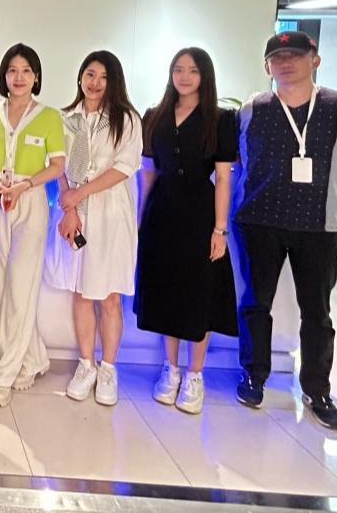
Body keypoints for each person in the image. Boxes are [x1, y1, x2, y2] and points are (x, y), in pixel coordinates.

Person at [234, 31, 337, 430]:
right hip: (260, 220)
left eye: (295, 55)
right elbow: (241, 160)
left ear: (315, 59)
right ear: (267, 66)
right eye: (278, 57)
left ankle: (317, 390)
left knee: (317, 311)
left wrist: (329, 188)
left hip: (318, 225)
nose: (286, 63)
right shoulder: (252, 108)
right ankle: (253, 377)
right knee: (256, 302)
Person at [135, 47, 237, 415]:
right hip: (162, 209)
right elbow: (148, 172)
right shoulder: (155, 116)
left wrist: (220, 229)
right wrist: (142, 220)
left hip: (199, 212)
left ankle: (195, 374)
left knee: (198, 292)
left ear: (204, 75)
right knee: (167, 290)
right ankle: (171, 368)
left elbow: (222, 178)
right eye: (178, 69)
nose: (184, 76)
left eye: (192, 70)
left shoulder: (220, 119)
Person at [47, 50, 142, 406]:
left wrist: (79, 195)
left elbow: (123, 168)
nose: (95, 82)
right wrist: (69, 205)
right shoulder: (65, 118)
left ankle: (108, 368)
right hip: (74, 212)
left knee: (109, 295)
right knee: (82, 293)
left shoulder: (126, 119)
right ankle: (86, 364)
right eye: (90, 74)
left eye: (103, 77)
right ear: (80, 77)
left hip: (109, 213)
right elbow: (58, 165)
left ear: (114, 81)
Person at [0, 43, 65, 408]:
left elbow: (57, 166)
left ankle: (5, 372)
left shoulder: (49, 117)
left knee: (21, 284)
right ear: (4, 75)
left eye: (26, 70)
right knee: (5, 282)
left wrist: (24, 185)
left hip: (30, 199)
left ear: (36, 76)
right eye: (13, 70)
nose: (19, 77)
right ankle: (33, 357)